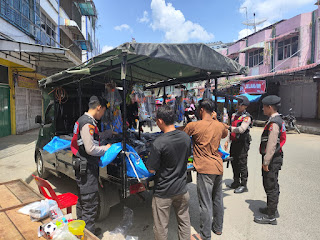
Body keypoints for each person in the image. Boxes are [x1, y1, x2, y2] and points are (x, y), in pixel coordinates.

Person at [183, 99, 228, 240]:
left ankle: (204, 235)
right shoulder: (219, 126)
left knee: (205, 203)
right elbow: (225, 134)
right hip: (218, 166)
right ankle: (218, 228)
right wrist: (215, 120)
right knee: (217, 199)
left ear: (201, 110)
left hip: (205, 168)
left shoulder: (194, 125)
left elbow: (183, 137)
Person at [146, 105, 192, 240]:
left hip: (163, 192)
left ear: (160, 121)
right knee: (184, 222)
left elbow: (151, 169)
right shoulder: (185, 137)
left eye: (156, 121)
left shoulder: (159, 142)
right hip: (182, 189)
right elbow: (187, 157)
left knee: (161, 227)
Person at [70, 96, 111, 236]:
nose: (103, 114)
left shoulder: (82, 120)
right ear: (99, 107)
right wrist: (106, 148)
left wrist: (110, 133)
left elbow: (89, 139)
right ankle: (88, 235)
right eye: (103, 111)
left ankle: (81, 232)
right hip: (86, 170)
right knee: (89, 204)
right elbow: (91, 149)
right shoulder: (88, 123)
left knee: (82, 201)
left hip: (81, 167)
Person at [254, 95, 286, 225]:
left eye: (264, 107)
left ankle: (271, 216)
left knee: (270, 185)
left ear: (270, 107)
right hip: (275, 158)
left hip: (272, 159)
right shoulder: (277, 120)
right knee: (271, 184)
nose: (262, 109)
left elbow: (272, 144)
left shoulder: (274, 123)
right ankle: (270, 208)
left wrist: (266, 162)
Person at [224, 96, 252, 193]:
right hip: (234, 142)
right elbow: (231, 130)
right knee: (233, 162)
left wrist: (228, 127)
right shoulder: (234, 115)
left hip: (242, 144)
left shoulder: (247, 117)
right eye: (237, 103)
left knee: (242, 163)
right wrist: (228, 140)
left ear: (244, 106)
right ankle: (236, 181)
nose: (237, 105)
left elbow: (241, 129)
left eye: (240, 103)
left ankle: (244, 185)